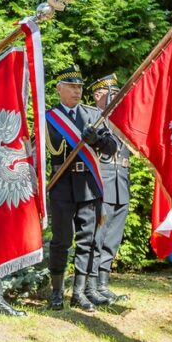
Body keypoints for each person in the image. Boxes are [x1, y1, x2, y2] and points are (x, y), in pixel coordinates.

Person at [45, 65, 117, 312]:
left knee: (88, 240)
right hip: (62, 186)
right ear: (59, 89)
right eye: (72, 87)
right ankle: (56, 293)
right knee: (61, 240)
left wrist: (97, 140)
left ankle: (79, 293)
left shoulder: (91, 115)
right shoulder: (49, 118)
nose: (77, 91)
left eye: (79, 87)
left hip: (88, 185)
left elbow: (112, 148)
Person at [90, 74, 130, 302]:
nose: (116, 98)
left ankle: (103, 284)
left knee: (112, 238)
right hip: (102, 185)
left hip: (121, 184)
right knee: (97, 237)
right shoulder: (92, 119)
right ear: (98, 95)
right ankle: (91, 285)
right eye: (111, 94)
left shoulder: (123, 120)